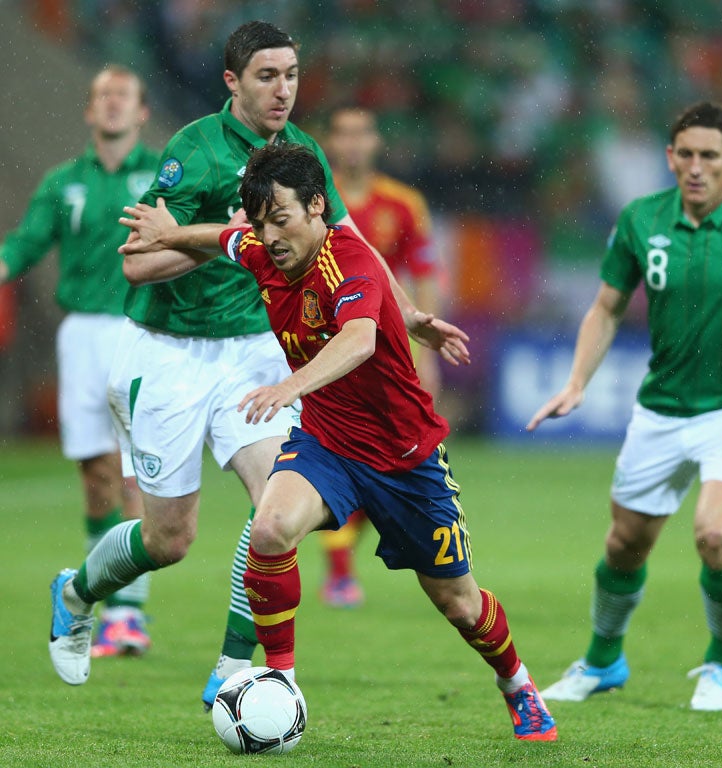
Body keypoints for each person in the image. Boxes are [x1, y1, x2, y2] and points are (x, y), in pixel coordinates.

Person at [46, 21, 469, 705]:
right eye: (267, 76)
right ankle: (75, 593)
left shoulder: (301, 153)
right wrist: (232, 239)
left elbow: (351, 240)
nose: (283, 91)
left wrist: (409, 312)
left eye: (291, 75)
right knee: (168, 539)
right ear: (232, 82)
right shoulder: (194, 151)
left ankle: (232, 668)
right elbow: (139, 264)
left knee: (276, 505)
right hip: (169, 351)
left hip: (253, 352)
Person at [117, 142, 556, 741]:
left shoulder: (348, 259)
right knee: (270, 529)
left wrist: (288, 386)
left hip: (405, 458)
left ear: (317, 206)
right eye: (262, 222)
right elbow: (223, 237)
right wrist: (169, 233)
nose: (271, 236)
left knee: (459, 603)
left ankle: (517, 684)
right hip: (328, 443)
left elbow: (358, 341)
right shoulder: (263, 251)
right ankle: (281, 681)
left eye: (282, 219)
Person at [527, 101, 722, 711]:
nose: (697, 167)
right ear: (670, 158)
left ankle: (721, 665)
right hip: (662, 408)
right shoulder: (642, 220)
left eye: (710, 156)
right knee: (624, 545)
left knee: (715, 535)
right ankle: (603, 661)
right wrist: (577, 382)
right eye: (687, 155)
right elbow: (607, 307)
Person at [2, 66, 156, 657]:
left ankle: (129, 613)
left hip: (139, 330)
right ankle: (102, 598)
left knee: (134, 468)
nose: (113, 103)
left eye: (124, 95)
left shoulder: (163, 175)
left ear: (142, 112)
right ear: (90, 111)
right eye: (103, 96)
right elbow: (26, 243)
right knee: (95, 472)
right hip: (81, 335)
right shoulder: (63, 180)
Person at [315, 104, 443, 608]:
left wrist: (427, 348)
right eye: (343, 133)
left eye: (361, 133)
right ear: (330, 142)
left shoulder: (403, 203)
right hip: (327, 343)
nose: (352, 143)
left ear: (375, 142)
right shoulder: (313, 199)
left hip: (387, 347)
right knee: (333, 449)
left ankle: (345, 560)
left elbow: (424, 274)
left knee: (391, 454)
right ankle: (339, 571)